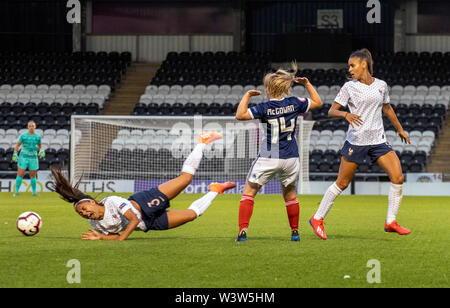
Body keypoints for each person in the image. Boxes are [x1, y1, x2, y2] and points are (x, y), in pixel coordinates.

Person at [49, 132, 236, 241]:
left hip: (145, 203)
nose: (83, 213)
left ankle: (202, 142)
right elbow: (114, 235)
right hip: (148, 223)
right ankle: (215, 190)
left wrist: (121, 239)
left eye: (83, 208)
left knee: (186, 179)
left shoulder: (112, 201)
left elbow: (132, 219)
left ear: (91, 202)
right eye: (80, 213)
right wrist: (102, 238)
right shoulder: (95, 224)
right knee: (192, 215)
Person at [309, 48, 411, 240]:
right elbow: (331, 111)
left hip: (379, 141)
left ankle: (390, 221)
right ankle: (317, 218)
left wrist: (399, 129)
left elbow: (387, 109)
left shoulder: (381, 85)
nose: (350, 69)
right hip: (356, 141)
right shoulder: (349, 87)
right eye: (349, 66)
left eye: (352, 65)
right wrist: (345, 114)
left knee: (398, 178)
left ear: (364, 64)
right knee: (342, 183)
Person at [234, 62, 323, 242]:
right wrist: (307, 84)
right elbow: (318, 102)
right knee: (290, 194)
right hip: (291, 157)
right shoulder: (294, 103)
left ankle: (243, 231)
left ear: (268, 89)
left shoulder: (264, 108)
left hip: (269, 156)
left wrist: (247, 95)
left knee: (249, 192)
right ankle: (295, 232)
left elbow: (240, 115)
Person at [12, 120, 45, 196]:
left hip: (33, 157)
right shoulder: (23, 136)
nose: (31, 127)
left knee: (33, 175)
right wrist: (15, 153)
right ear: (27, 127)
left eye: (32, 126)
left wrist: (42, 150)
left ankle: (34, 192)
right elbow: (17, 145)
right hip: (23, 156)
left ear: (35, 127)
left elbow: (40, 146)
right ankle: (16, 192)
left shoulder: (38, 136)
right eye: (30, 126)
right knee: (20, 174)